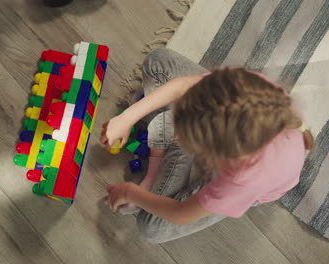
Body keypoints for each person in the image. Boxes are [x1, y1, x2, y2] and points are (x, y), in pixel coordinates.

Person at [100, 47, 314, 244]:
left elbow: (179, 213)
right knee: (157, 62)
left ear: (214, 157)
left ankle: (167, 154)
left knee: (150, 227)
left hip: (246, 181)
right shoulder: (245, 88)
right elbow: (184, 86)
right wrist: (127, 118)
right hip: (241, 143)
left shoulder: (239, 181)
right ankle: (165, 152)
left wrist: (131, 192)